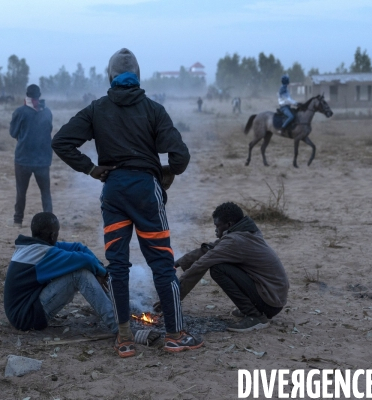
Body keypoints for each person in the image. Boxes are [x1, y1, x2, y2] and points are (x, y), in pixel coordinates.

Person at [51, 48, 202, 357]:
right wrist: (164, 174)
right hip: (146, 191)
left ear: (110, 77)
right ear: (138, 77)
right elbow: (181, 157)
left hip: (114, 192)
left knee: (117, 267)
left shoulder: (96, 109)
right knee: (161, 263)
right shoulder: (154, 110)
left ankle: (124, 339)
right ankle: (175, 335)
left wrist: (91, 169)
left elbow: (61, 142)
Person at [167, 202, 289, 332]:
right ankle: (254, 308)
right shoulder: (246, 232)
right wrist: (178, 263)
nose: (215, 230)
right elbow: (210, 249)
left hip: (270, 301)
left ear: (229, 225)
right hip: (275, 297)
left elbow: (202, 264)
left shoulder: (235, 241)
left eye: (217, 226)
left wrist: (173, 297)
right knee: (220, 262)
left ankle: (255, 316)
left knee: (218, 268)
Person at [3, 212, 117, 334]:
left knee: (86, 267)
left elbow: (78, 247)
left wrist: (98, 266)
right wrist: (104, 273)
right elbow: (85, 260)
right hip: (26, 318)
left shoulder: (33, 248)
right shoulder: (42, 254)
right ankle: (118, 326)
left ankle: (115, 307)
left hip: (24, 310)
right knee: (78, 274)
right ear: (53, 235)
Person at [10, 84, 53, 228]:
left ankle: (18, 221)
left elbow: (13, 133)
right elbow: (49, 130)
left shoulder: (20, 112)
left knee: (21, 192)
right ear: (38, 97)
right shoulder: (47, 112)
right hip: (42, 159)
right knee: (45, 193)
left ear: (27, 97)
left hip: (23, 159)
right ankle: (50, 220)